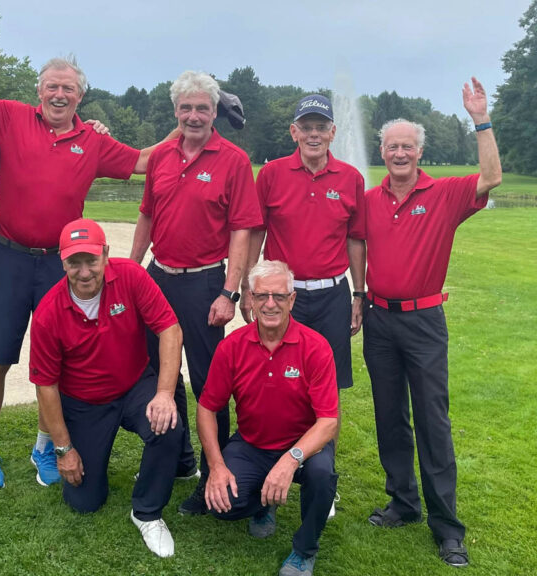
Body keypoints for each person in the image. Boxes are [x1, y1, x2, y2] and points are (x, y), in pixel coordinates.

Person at [0, 4, 172, 492]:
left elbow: (141, 163)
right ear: (39, 90)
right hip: (9, 256)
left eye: (68, 88)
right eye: (51, 85)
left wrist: (189, 123)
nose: (58, 93)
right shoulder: (9, 117)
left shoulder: (92, 140)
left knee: (60, 359)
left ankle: (45, 443)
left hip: (63, 265)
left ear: (80, 95)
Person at [362, 77, 502, 567]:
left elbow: (491, 177)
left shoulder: (443, 194)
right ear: (382, 151)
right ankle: (403, 503)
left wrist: (480, 119)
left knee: (432, 422)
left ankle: (447, 527)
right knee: (389, 417)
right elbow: (357, 248)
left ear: (419, 152)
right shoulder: (369, 199)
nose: (399, 153)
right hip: (379, 319)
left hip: (423, 323)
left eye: (408, 146)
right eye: (392, 146)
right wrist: (358, 299)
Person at [129, 70, 262, 515]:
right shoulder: (163, 155)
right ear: (175, 112)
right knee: (161, 374)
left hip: (205, 281)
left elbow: (242, 229)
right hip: (158, 277)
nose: (193, 115)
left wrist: (230, 292)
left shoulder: (233, 159)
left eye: (202, 108)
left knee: (209, 383)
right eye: (185, 108)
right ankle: (180, 458)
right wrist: (132, 268)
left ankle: (213, 474)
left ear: (214, 113)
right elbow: (147, 216)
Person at [29, 218, 183, 558]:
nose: (84, 272)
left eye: (91, 260)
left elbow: (170, 329)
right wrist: (63, 450)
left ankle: (147, 512)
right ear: (63, 262)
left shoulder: (131, 275)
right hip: (85, 403)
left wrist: (163, 393)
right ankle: (87, 461)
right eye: (74, 262)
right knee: (84, 502)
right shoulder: (47, 313)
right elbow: (46, 386)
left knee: (168, 425)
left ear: (106, 254)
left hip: (134, 386)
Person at [245, 94, 366, 518]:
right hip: (283, 297)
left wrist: (358, 293)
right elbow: (257, 231)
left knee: (325, 392)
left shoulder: (350, 178)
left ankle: (323, 482)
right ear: (293, 131)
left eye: (321, 127)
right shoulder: (273, 174)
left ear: (333, 132)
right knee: (273, 382)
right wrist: (248, 287)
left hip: (332, 295)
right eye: (306, 127)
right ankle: (268, 470)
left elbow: (355, 239)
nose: (314, 134)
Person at [198, 260, 338, 576]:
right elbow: (207, 407)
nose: (270, 304)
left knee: (321, 475)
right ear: (250, 299)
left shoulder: (315, 348)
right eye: (261, 296)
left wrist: (289, 461)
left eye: (279, 296)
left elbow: (328, 420)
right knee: (220, 504)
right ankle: (264, 504)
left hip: (302, 448)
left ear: (292, 300)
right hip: (252, 445)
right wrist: (217, 467)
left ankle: (304, 550)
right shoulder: (232, 346)